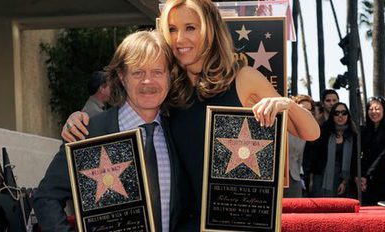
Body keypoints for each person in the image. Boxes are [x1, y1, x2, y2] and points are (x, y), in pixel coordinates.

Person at [59, 0, 321, 226]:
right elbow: (127, 117)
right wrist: (79, 120)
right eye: (171, 29)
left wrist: (286, 104)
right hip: (182, 224)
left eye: (190, 28)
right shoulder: (169, 89)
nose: (179, 39)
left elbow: (311, 132)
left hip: (237, 221)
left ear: (210, 31)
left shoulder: (244, 78)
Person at [33, 31, 192, 231]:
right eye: (138, 72)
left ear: (169, 76)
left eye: (157, 72)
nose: (148, 81)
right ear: (121, 76)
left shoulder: (181, 132)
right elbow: (46, 197)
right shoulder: (89, 133)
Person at [308, 102, 359, 198]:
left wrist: (344, 182)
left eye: (344, 113)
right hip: (322, 178)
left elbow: (354, 161)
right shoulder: (323, 132)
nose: (340, 116)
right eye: (337, 113)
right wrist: (311, 180)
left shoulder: (353, 136)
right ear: (332, 116)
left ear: (348, 115)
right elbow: (314, 157)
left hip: (344, 180)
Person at [358, 96, 385, 205]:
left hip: (382, 177)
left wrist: (368, 175)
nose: (374, 112)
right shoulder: (363, 130)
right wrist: (360, 175)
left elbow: (384, 155)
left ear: (383, 110)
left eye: (377, 109)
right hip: (363, 180)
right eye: (371, 109)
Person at [286, 95, 315, 197]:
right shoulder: (284, 125)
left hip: (295, 178)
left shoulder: (308, 132)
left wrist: (301, 177)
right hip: (278, 177)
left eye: (309, 110)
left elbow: (301, 158)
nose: (306, 113)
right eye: (302, 109)